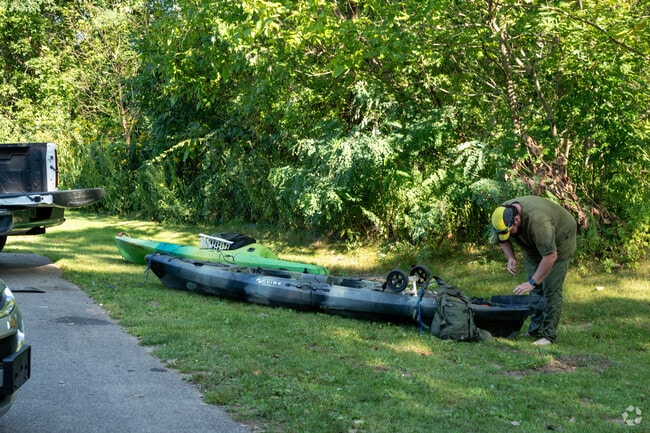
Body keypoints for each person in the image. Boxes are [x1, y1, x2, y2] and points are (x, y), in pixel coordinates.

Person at [491, 196, 577, 345]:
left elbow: (550, 255)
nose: (510, 235)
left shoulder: (538, 222)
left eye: (510, 231)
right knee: (535, 291)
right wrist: (510, 257)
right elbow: (502, 239)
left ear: (517, 219)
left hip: (560, 239)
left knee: (550, 289)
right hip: (534, 245)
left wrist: (532, 281)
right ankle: (534, 331)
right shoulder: (501, 215)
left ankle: (548, 335)